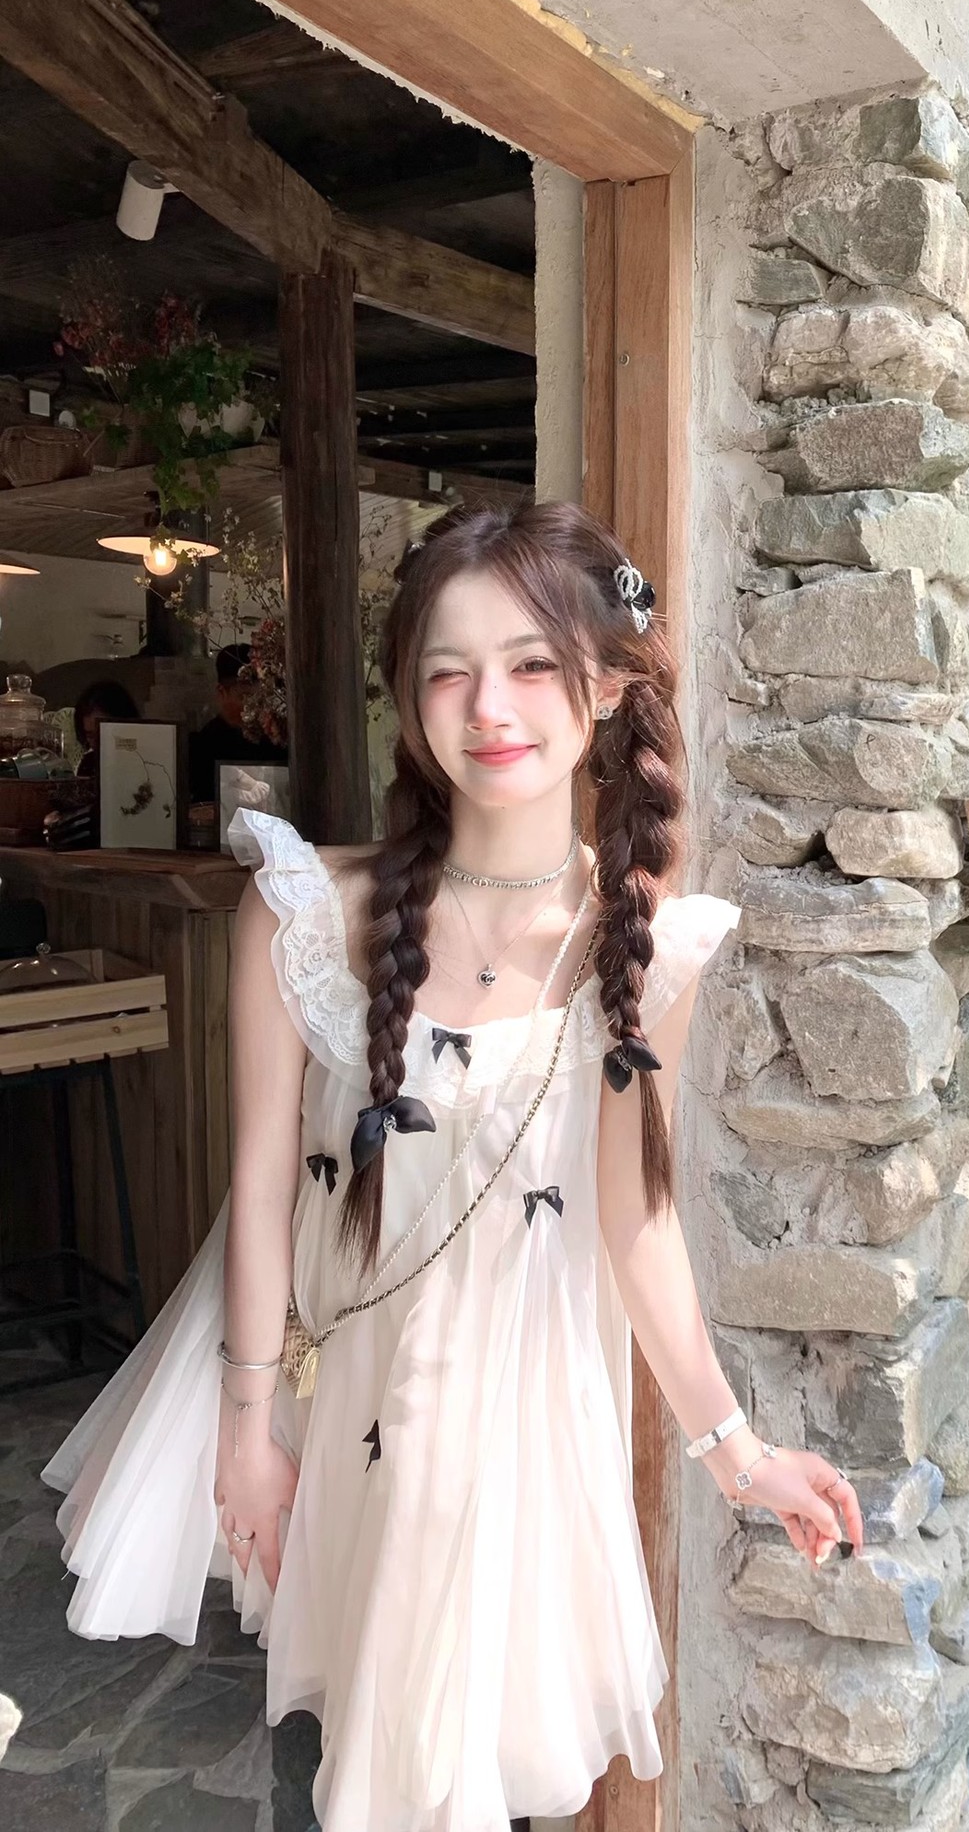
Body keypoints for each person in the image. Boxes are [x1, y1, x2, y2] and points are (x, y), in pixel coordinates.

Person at [42, 503, 863, 1832]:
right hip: (345, 1398)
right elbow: (260, 1187)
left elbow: (636, 1219)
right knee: (380, 1747)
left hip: (519, 1415)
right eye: (447, 669)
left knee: (447, 1767)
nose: (489, 706)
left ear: (607, 684)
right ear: (408, 696)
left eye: (532, 663)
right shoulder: (304, 912)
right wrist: (246, 1432)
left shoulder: (643, 944)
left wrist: (737, 1451)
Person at [188, 641, 289, 802]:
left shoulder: (275, 740)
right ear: (222, 692)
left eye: (261, 698)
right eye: (246, 697)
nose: (255, 706)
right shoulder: (204, 745)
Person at [72, 677, 140, 778]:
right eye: (90, 736)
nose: (97, 743)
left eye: (103, 734)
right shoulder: (89, 764)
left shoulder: (143, 762)